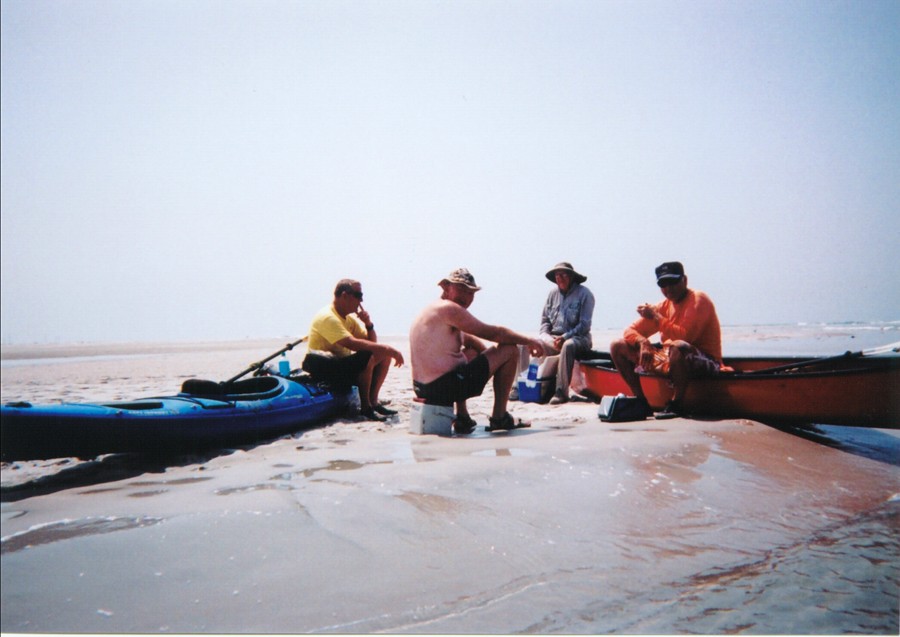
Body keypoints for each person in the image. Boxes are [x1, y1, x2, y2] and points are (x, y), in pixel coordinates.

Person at [409, 268, 545, 434]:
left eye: (470, 292)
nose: (466, 297)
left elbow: (468, 339)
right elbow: (494, 333)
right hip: (442, 388)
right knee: (509, 350)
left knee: (471, 353)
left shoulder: (433, 310)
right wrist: (529, 341)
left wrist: (489, 360)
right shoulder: (449, 309)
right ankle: (499, 417)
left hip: (424, 387)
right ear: (446, 287)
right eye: (461, 289)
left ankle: (462, 417)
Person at [609, 261, 724, 418]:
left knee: (677, 346)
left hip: (707, 362)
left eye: (673, 282)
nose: (669, 288)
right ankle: (641, 401)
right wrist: (643, 342)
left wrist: (656, 317)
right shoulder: (663, 306)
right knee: (617, 345)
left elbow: (685, 337)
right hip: (672, 358)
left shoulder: (698, 299)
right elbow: (629, 331)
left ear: (684, 280)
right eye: (663, 284)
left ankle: (677, 403)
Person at [302, 279, 404, 421]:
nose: (361, 300)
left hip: (340, 364)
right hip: (324, 367)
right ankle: (365, 407)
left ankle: (373, 402)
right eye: (358, 295)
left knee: (382, 354)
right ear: (345, 295)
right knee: (371, 354)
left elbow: (371, 343)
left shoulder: (349, 319)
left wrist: (368, 324)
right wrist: (390, 349)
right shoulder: (328, 317)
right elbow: (352, 344)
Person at [512, 261, 595, 404]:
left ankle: (561, 392)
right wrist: (544, 339)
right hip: (553, 338)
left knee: (568, 345)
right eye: (557, 275)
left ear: (571, 277)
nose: (560, 278)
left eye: (563, 275)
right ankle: (518, 387)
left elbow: (584, 325)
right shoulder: (552, 294)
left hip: (578, 338)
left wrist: (564, 337)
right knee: (522, 343)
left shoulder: (585, 294)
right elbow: (545, 322)